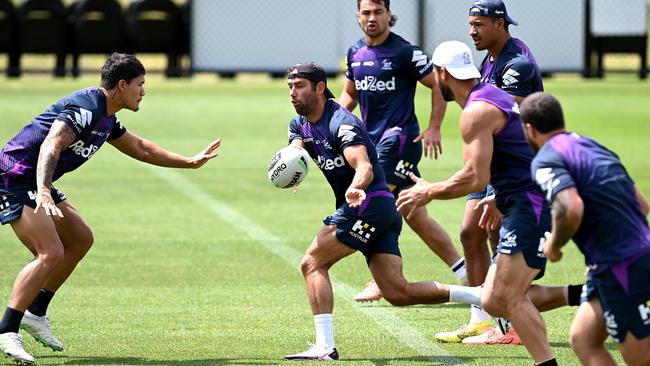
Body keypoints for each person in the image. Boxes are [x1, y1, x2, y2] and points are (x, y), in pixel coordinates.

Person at [0, 53, 221, 365]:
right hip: (14, 177)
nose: (143, 91)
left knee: (80, 239)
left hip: (35, 180)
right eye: (140, 84)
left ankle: (35, 312)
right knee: (50, 252)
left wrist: (189, 161)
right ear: (121, 85)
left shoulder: (107, 117)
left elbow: (140, 147)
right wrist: (45, 191)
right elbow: (52, 144)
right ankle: (7, 331)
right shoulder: (86, 107)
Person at [282, 62, 483, 361]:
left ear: (320, 88)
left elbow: (362, 165)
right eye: (290, 87)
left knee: (311, 263)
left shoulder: (342, 123)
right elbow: (296, 150)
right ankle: (482, 296)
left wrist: (355, 187)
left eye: (299, 87)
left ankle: (325, 345)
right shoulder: (299, 124)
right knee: (399, 293)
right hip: (377, 210)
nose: (293, 94)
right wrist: (291, 165)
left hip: (367, 206)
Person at [396, 41, 559, 365]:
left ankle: (595, 292)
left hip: (530, 203)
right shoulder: (492, 95)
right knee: (498, 298)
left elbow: (474, 178)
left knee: (505, 297)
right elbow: (520, 150)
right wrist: (498, 195)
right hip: (523, 198)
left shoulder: (476, 111)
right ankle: (588, 293)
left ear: (442, 74)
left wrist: (428, 191)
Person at [340, 0, 467, 302]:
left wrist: (434, 126)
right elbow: (349, 93)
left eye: (378, 12)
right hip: (371, 143)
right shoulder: (355, 52)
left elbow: (438, 85)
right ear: (358, 16)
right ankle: (466, 272)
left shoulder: (404, 51)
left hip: (399, 140)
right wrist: (338, 127)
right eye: (366, 13)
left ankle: (378, 279)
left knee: (372, 201)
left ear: (388, 15)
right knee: (414, 213)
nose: (372, 18)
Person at [436, 0, 545, 344]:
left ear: (500, 24)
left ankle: (508, 322)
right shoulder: (489, 60)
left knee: (498, 238)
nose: (472, 31)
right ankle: (483, 317)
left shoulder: (518, 62)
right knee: (471, 232)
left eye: (479, 24)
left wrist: (496, 191)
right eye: (471, 24)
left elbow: (506, 123)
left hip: (513, 170)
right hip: (492, 166)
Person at [522, 92, 650, 366]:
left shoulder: (545, 159)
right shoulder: (593, 146)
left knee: (640, 358)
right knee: (584, 338)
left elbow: (571, 209)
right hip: (620, 258)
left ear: (529, 129)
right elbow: (642, 205)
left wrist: (554, 246)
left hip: (622, 264)